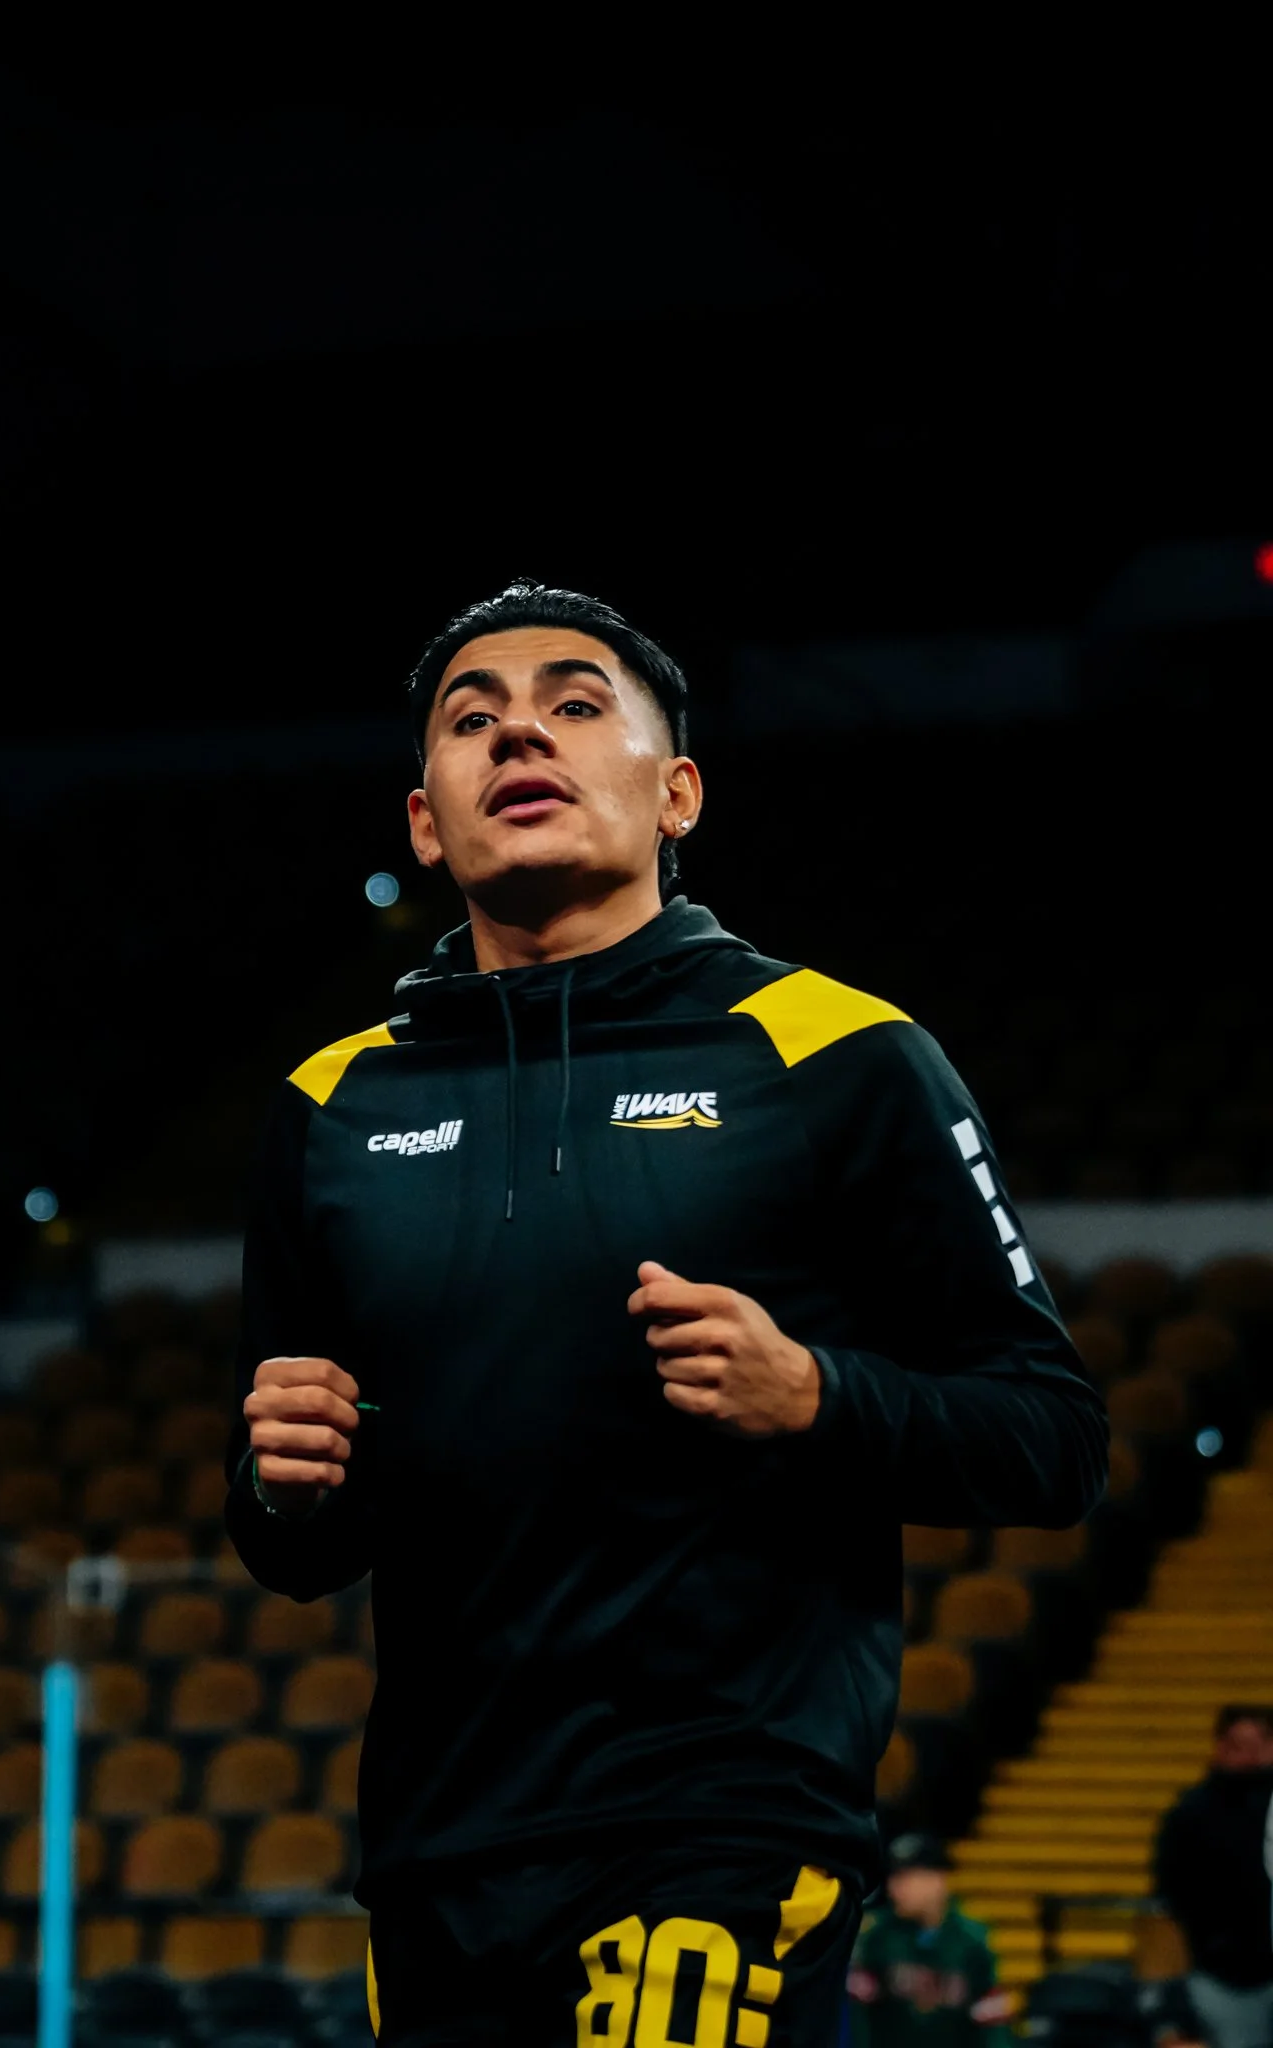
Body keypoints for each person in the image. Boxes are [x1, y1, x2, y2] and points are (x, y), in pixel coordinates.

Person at [223, 581, 1109, 2045]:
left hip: (720, 1821)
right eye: (474, 717)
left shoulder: (841, 1054)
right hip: (439, 1854)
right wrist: (286, 1478)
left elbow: (1053, 1440)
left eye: (577, 704)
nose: (521, 728)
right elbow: (293, 1543)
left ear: (676, 791)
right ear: (426, 822)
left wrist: (818, 1396)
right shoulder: (328, 1104)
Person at [1154, 1704, 1273, 2048]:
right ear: (1220, 1746)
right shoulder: (1191, 1815)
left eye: (1259, 1745)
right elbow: (1168, 1905)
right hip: (1222, 1976)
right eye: (1240, 1746)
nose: (1251, 1757)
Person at [847, 1833, 1013, 2044]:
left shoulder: (974, 1939)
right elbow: (858, 2021)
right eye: (893, 1877)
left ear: (937, 1880)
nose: (894, 1888)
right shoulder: (876, 1935)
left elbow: (993, 2028)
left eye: (906, 1878)